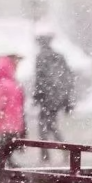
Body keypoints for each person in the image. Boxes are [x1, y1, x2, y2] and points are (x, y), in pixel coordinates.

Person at [32, 30, 75, 162]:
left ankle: (47, 155)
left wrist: (36, 96)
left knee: (44, 125)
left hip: (47, 97)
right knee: (50, 124)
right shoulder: (59, 56)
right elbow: (68, 77)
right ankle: (60, 150)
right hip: (58, 98)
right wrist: (67, 99)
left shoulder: (41, 57)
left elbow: (40, 79)